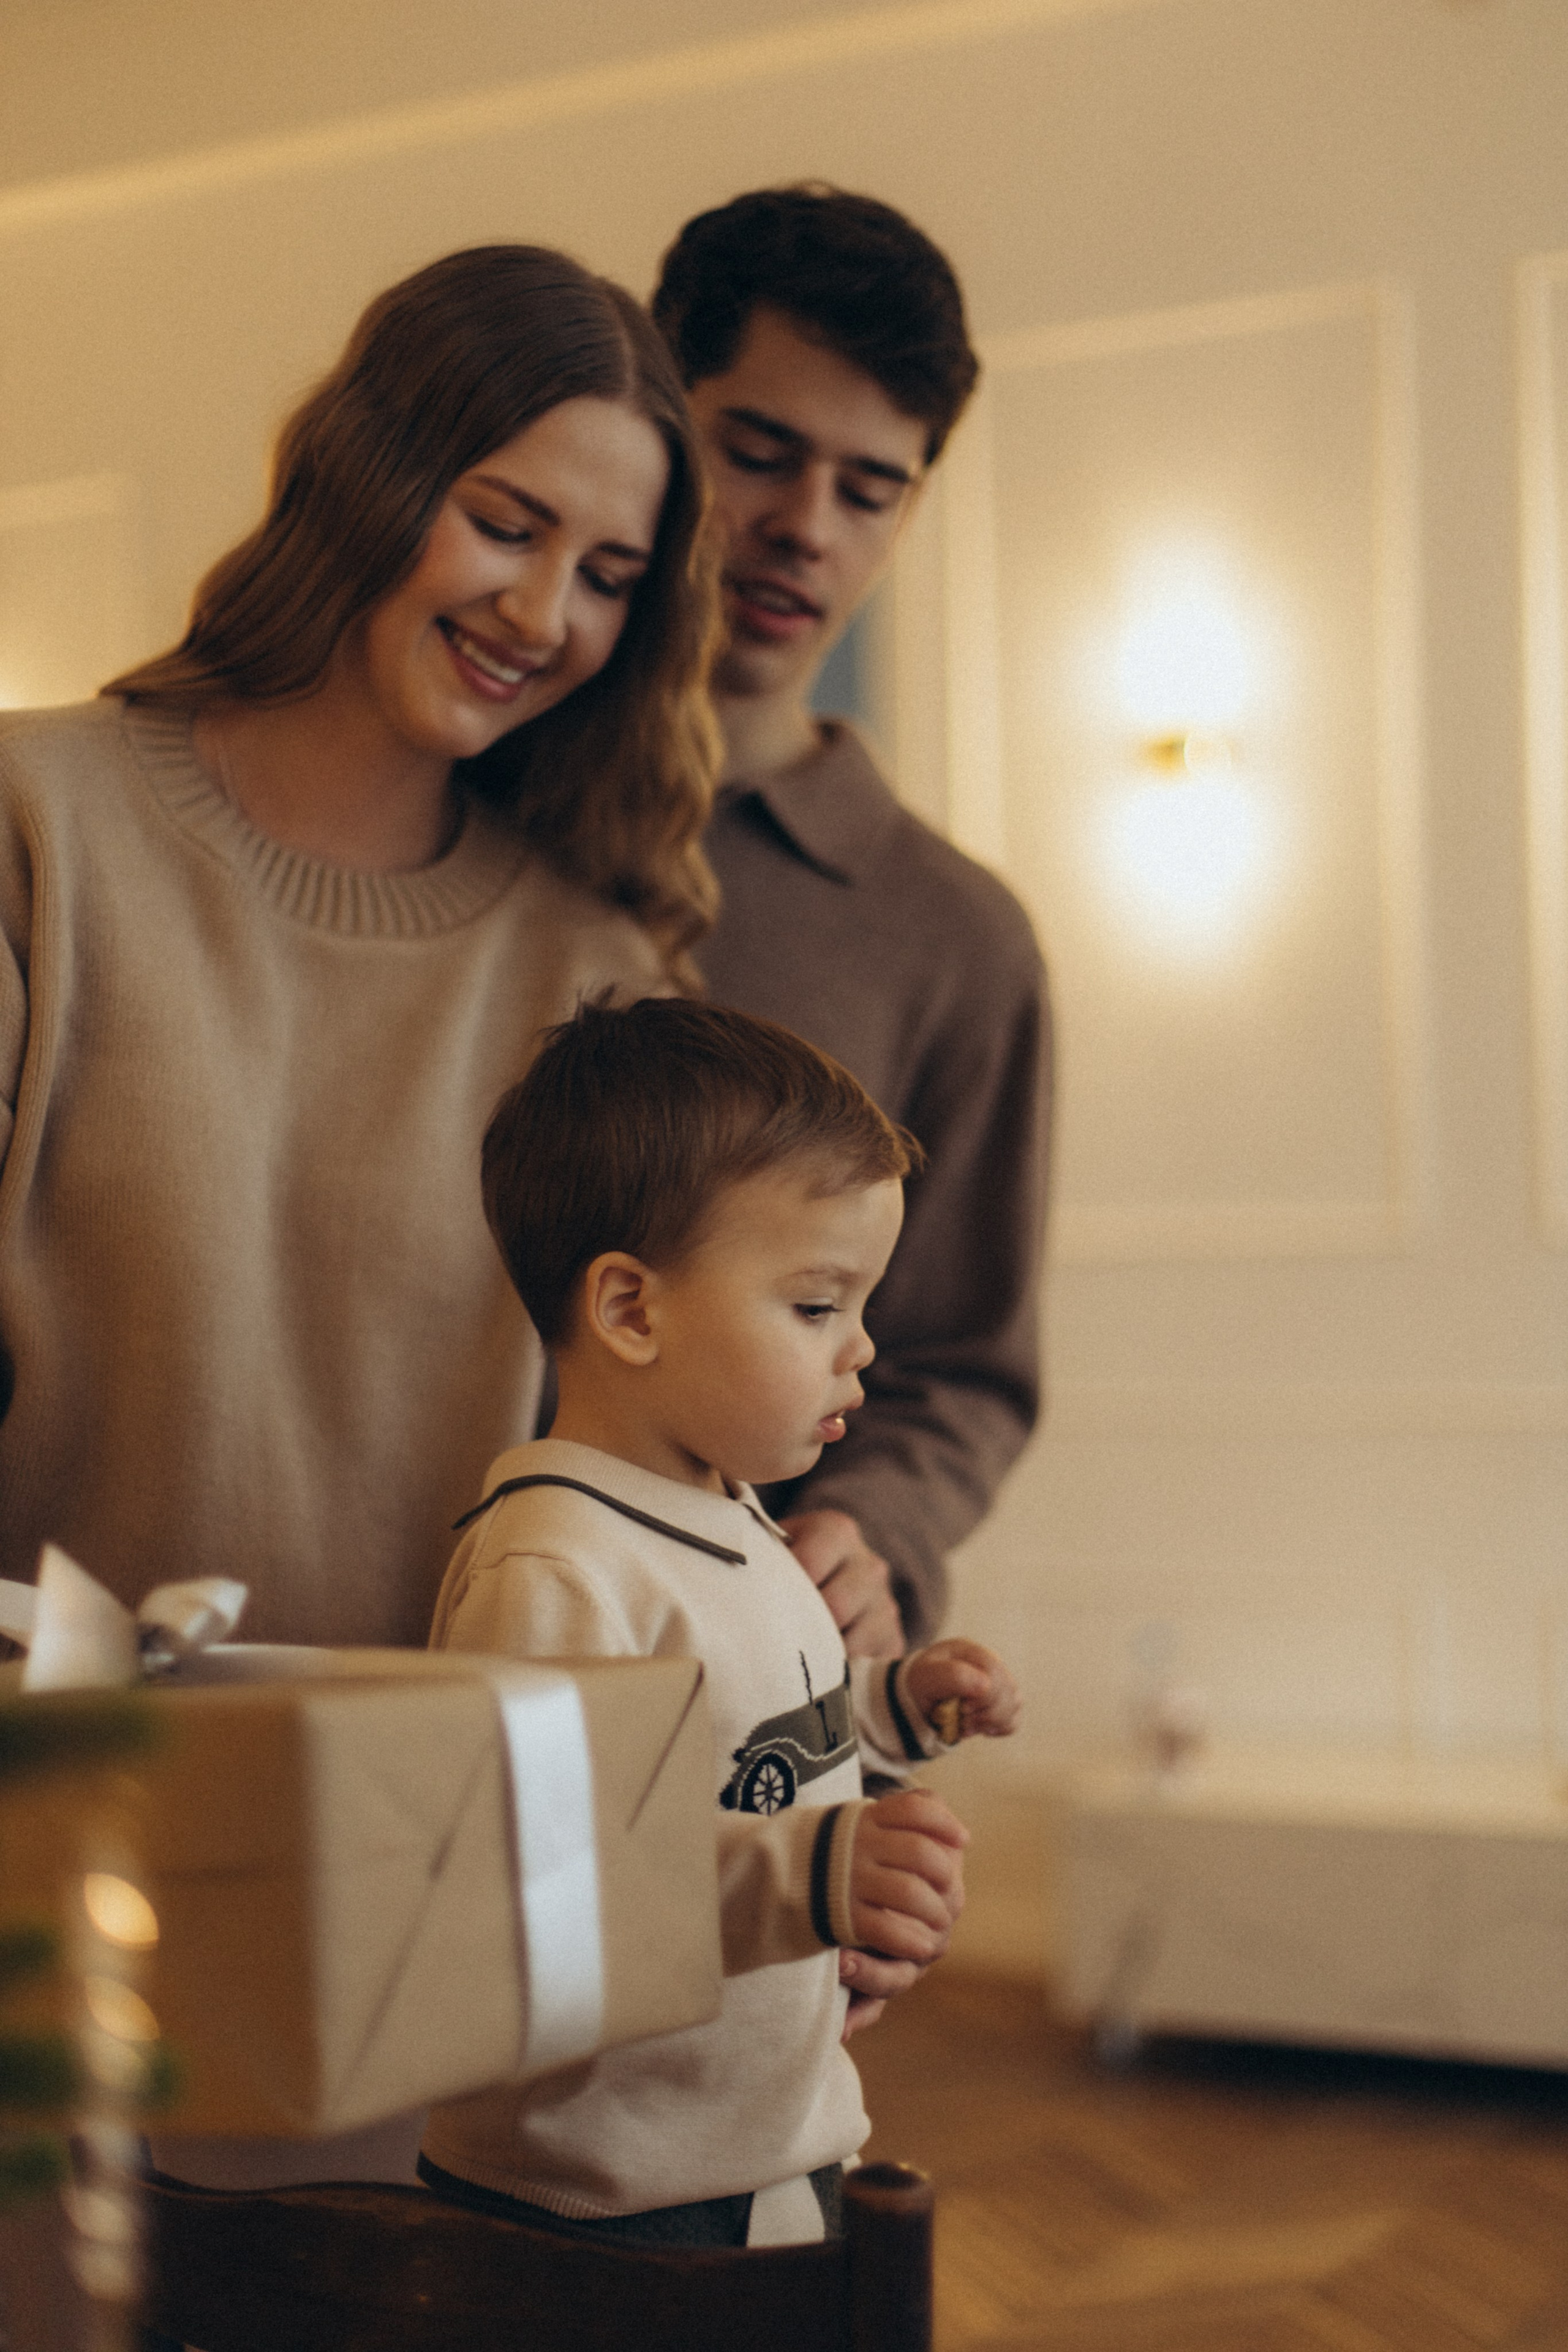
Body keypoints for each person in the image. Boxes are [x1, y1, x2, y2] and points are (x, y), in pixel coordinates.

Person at [0, 244, 721, 1651]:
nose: (541, 615)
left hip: (437, 1768)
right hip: (48, 1764)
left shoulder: (596, 973)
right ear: (365, 476)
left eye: (605, 577)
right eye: (504, 525)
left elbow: (643, 1472)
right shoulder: (37, 827)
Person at [419, 995, 1019, 2247]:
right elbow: (543, 1894)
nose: (862, 1350)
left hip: (767, 2150)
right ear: (631, 1311)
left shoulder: (735, 1520)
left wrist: (891, 1710)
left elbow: (752, 1741)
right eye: (816, 1306)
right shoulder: (558, 1570)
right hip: (602, 2205)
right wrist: (814, 1874)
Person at [652, 186, 1053, 1657]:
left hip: (745, 1695)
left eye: (868, 489)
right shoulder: (461, 816)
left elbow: (959, 1367)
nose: (802, 529)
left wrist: (871, 1531)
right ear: (655, 423)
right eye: (757, 454)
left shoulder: (956, 937)